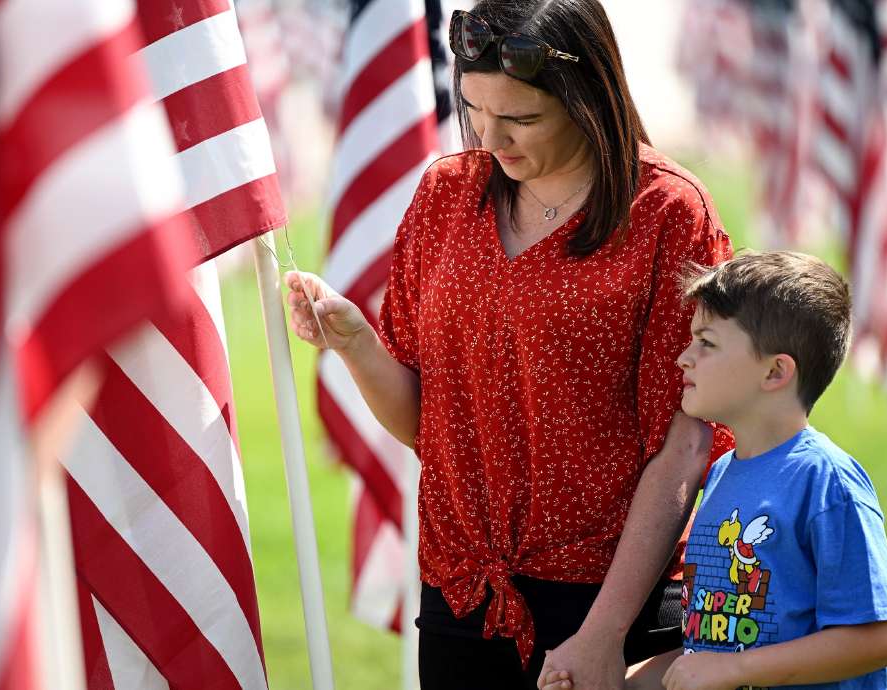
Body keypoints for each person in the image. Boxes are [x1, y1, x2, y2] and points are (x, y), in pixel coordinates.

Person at [285, 1, 733, 687]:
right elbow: (424, 425)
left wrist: (603, 636)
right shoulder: (444, 194)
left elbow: (684, 442)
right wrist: (355, 344)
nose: (493, 139)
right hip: (463, 595)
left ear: (588, 98)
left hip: (608, 599)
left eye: (521, 119)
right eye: (476, 112)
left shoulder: (668, 212)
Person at [541, 252, 887, 690]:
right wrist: (615, 682)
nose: (684, 357)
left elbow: (882, 638)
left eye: (707, 343)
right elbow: (715, 646)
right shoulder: (720, 477)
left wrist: (733, 670)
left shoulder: (825, 481)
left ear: (775, 371)